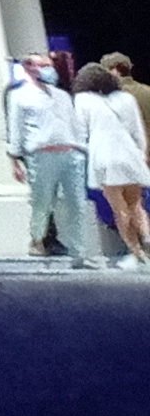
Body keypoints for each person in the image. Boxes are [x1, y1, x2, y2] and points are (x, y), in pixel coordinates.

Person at [9, 52, 97, 269]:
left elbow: (75, 124)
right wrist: (15, 159)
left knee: (77, 203)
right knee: (42, 203)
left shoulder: (62, 96)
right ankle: (37, 241)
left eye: (48, 65)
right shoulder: (19, 96)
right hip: (41, 155)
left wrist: (81, 149)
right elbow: (16, 127)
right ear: (29, 68)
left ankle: (79, 252)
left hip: (71, 154)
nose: (48, 70)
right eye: (42, 65)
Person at [80, 54, 150, 269]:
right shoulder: (127, 98)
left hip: (104, 157)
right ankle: (147, 240)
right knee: (136, 205)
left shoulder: (84, 100)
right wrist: (141, 155)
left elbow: (81, 132)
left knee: (120, 210)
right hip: (130, 155)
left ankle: (136, 253)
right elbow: (138, 131)